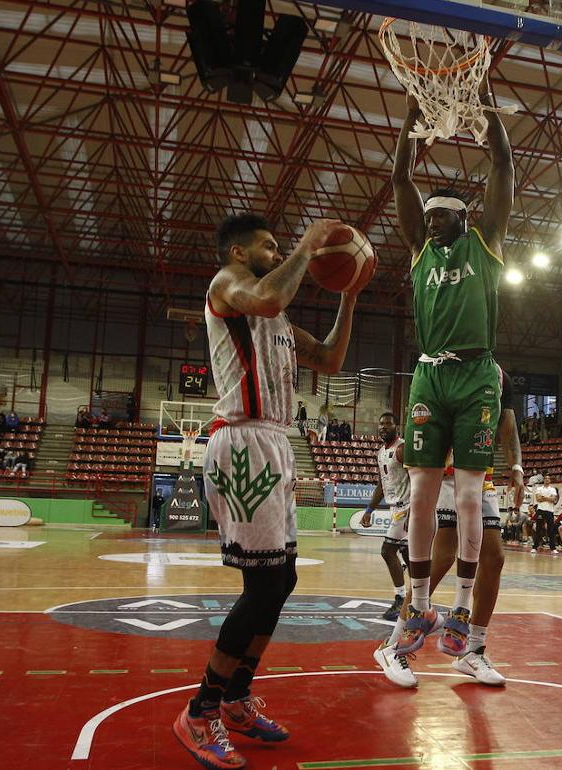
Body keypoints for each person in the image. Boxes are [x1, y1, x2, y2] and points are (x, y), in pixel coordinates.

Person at [171, 212, 358, 770]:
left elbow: (329, 358)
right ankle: (199, 712)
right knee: (261, 587)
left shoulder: (275, 320)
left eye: (282, 247)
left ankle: (235, 699)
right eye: (269, 247)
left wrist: (349, 295)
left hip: (276, 443)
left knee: (283, 580)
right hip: (241, 442)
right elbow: (270, 299)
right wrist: (308, 244)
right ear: (236, 252)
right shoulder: (225, 286)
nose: (279, 254)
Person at [391, 77, 514, 658]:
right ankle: (419, 604)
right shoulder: (421, 251)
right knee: (420, 493)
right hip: (429, 374)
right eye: (429, 218)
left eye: (441, 217)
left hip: (476, 374)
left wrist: (486, 105)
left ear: (464, 219)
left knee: (468, 499)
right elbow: (399, 179)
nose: (431, 223)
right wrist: (411, 115)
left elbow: (504, 168)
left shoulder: (485, 242)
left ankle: (462, 609)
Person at [374, 367, 525, 688]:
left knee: (494, 557)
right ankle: (393, 645)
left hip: (479, 471)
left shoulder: (498, 374)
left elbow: (507, 424)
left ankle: (473, 649)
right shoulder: (440, 366)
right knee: (440, 560)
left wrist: (515, 465)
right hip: (444, 469)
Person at [360, 413, 411, 621]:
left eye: (388, 423)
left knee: (387, 550)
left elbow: (417, 480)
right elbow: (382, 485)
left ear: (395, 426)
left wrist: (416, 512)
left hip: (408, 508)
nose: (383, 427)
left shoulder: (402, 448)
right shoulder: (381, 452)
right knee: (410, 558)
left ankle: (400, 600)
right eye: (380, 424)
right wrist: (369, 510)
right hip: (395, 509)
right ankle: (419, 601)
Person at [531, 475, 559, 554]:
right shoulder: (539, 488)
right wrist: (548, 498)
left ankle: (553, 548)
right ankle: (535, 547)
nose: (547, 480)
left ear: (550, 480)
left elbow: (553, 499)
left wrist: (544, 497)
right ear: (543, 480)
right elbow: (538, 499)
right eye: (545, 478)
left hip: (549, 511)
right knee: (538, 529)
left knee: (551, 530)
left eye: (548, 478)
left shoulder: (553, 489)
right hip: (540, 510)